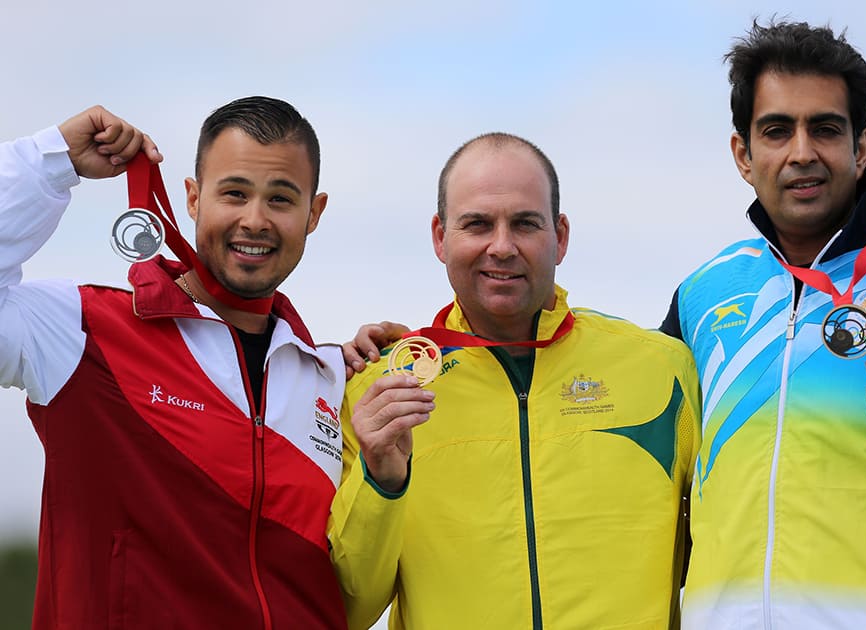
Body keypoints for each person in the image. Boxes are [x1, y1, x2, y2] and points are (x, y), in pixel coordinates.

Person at [660, 20, 866, 628]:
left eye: (825, 128)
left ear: (860, 145)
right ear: (743, 154)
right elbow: (653, 470)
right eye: (776, 130)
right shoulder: (703, 295)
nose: (802, 152)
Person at [328, 132, 702, 629]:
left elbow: (724, 554)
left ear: (560, 236)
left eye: (525, 224)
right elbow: (348, 609)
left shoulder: (663, 369)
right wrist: (382, 481)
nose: (501, 247)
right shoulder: (378, 392)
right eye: (477, 224)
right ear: (441, 237)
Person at [0, 98, 350, 628]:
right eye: (234, 193)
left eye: (281, 198)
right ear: (192, 197)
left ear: (314, 213)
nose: (255, 220)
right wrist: (48, 162)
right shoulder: (83, 332)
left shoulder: (330, 379)